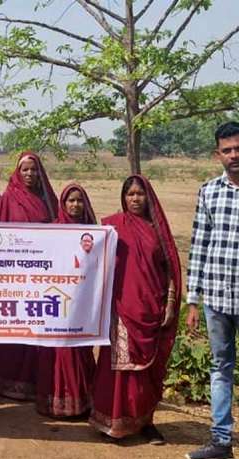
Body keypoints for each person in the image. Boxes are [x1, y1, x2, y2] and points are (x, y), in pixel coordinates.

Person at [89, 175, 180, 444]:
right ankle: (113, 422)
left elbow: (171, 270)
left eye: (140, 194)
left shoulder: (158, 231)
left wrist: (171, 304)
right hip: (121, 308)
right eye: (130, 194)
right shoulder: (113, 227)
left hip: (152, 308)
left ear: (148, 197)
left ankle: (146, 423)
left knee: (148, 373)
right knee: (119, 368)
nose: (135, 199)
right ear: (123, 198)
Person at [185, 122, 239, 459]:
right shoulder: (209, 191)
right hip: (217, 298)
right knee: (221, 368)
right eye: (227, 150)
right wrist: (192, 299)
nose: (234, 155)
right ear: (217, 154)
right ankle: (221, 441)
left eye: (238, 148)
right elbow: (199, 246)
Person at [0, 152, 58, 400]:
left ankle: (38, 381)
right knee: (15, 329)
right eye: (25, 169)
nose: (30, 174)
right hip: (14, 277)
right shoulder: (9, 198)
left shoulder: (48, 199)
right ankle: (9, 382)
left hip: (42, 276)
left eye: (34, 169)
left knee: (40, 328)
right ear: (18, 172)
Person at [35, 184, 97, 417]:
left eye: (79, 200)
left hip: (83, 300)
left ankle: (80, 401)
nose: (75, 205)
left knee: (79, 349)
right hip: (56, 300)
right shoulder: (54, 231)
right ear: (63, 203)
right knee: (57, 349)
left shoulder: (94, 233)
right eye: (71, 200)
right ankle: (55, 401)